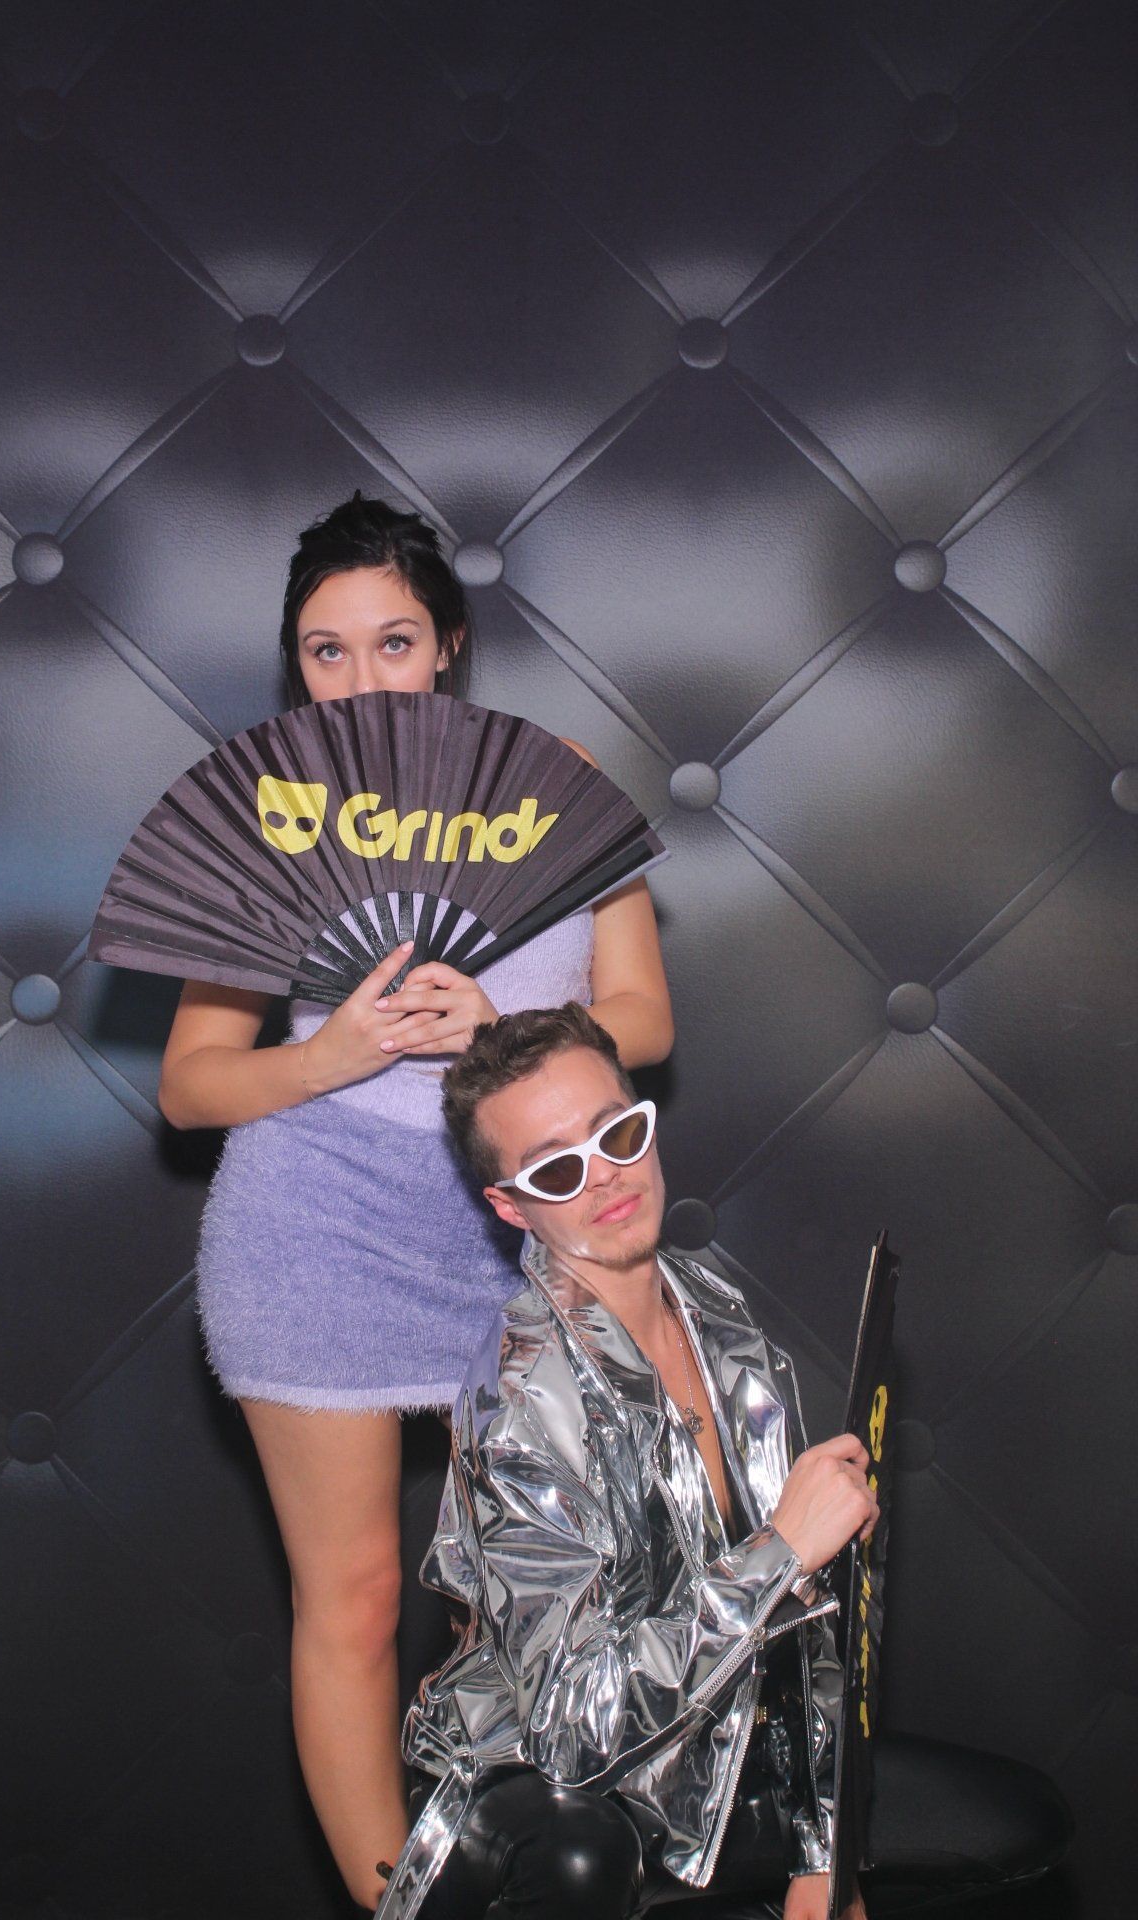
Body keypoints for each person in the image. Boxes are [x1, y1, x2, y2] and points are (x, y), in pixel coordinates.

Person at [156, 494, 674, 1911]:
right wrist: (329, 1053)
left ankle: (524, 1871)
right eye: (326, 651)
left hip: (517, 1220)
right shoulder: (268, 817)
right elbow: (190, 1087)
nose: (362, 676)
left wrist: (497, 1025)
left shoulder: (557, 780)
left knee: (529, 1589)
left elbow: (644, 1018)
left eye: (393, 640)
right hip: (313, 1221)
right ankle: (403, 1909)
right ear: (296, 666)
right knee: (357, 1598)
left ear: (447, 645)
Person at [373, 1003, 1072, 1920]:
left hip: (719, 1744)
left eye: (617, 1133)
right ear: (511, 1206)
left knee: (1019, 1819)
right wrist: (779, 1552)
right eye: (556, 1168)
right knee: (578, 1855)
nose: (604, 1175)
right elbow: (572, 1726)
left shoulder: (714, 1313)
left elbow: (818, 1613)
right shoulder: (521, 1401)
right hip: (544, 1794)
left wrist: (826, 1850)